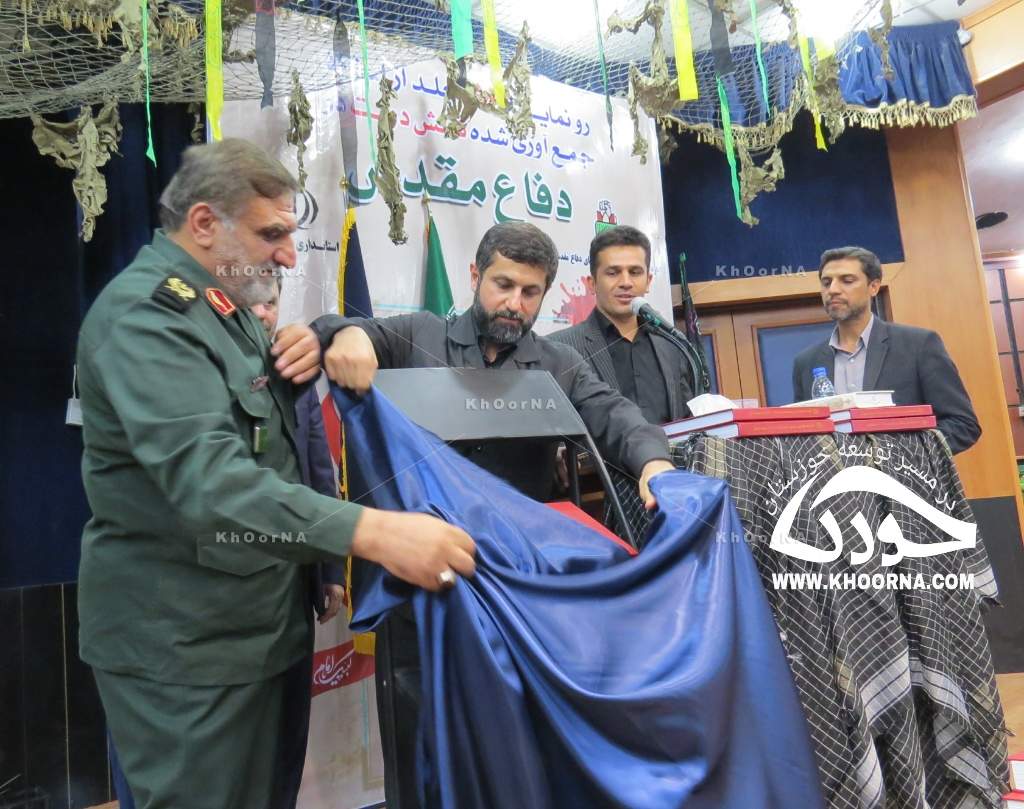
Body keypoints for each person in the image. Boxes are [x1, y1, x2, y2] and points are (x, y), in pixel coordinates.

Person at [76, 138, 475, 809]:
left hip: (260, 633)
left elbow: (275, 446)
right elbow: (214, 484)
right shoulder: (148, 318)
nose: (289, 256)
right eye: (271, 235)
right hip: (189, 651)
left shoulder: (225, 311)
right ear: (205, 223)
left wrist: (303, 352)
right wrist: (378, 533)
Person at [311, 220, 675, 809]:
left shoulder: (556, 364)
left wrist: (654, 463)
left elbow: (615, 417)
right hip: (419, 596)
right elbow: (334, 328)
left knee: (512, 756)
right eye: (503, 285)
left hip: (513, 596)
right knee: (419, 751)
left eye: (530, 293)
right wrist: (347, 333)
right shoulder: (417, 334)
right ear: (475, 275)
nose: (515, 304)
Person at [792, 245, 980, 453]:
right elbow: (805, 437)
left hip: (904, 472)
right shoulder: (806, 362)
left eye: (847, 280)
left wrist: (897, 454)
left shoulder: (918, 345)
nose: (833, 290)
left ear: (873, 286)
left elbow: (963, 425)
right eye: (826, 282)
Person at [549, 225, 694, 424]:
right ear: (592, 283)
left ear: (648, 281)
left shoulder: (672, 345)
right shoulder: (560, 349)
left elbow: (688, 420)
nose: (626, 282)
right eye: (613, 273)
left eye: (635, 272)